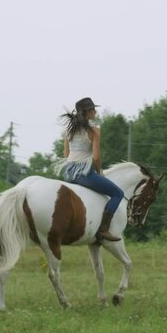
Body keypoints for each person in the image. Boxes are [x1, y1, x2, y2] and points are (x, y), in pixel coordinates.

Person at [54, 97, 123, 242]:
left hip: (68, 173)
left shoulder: (69, 130)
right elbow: (96, 158)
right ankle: (104, 230)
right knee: (118, 193)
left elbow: (66, 154)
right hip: (83, 174)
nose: (96, 112)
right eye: (93, 109)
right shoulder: (95, 131)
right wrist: (99, 172)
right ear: (89, 112)